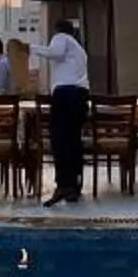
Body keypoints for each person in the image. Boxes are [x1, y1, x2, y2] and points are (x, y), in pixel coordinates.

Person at [41, 12, 92, 205]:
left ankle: (63, 185)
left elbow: (55, 52)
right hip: (80, 95)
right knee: (74, 141)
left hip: (65, 95)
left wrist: (31, 49)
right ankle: (73, 186)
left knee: (60, 141)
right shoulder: (80, 50)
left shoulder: (61, 38)